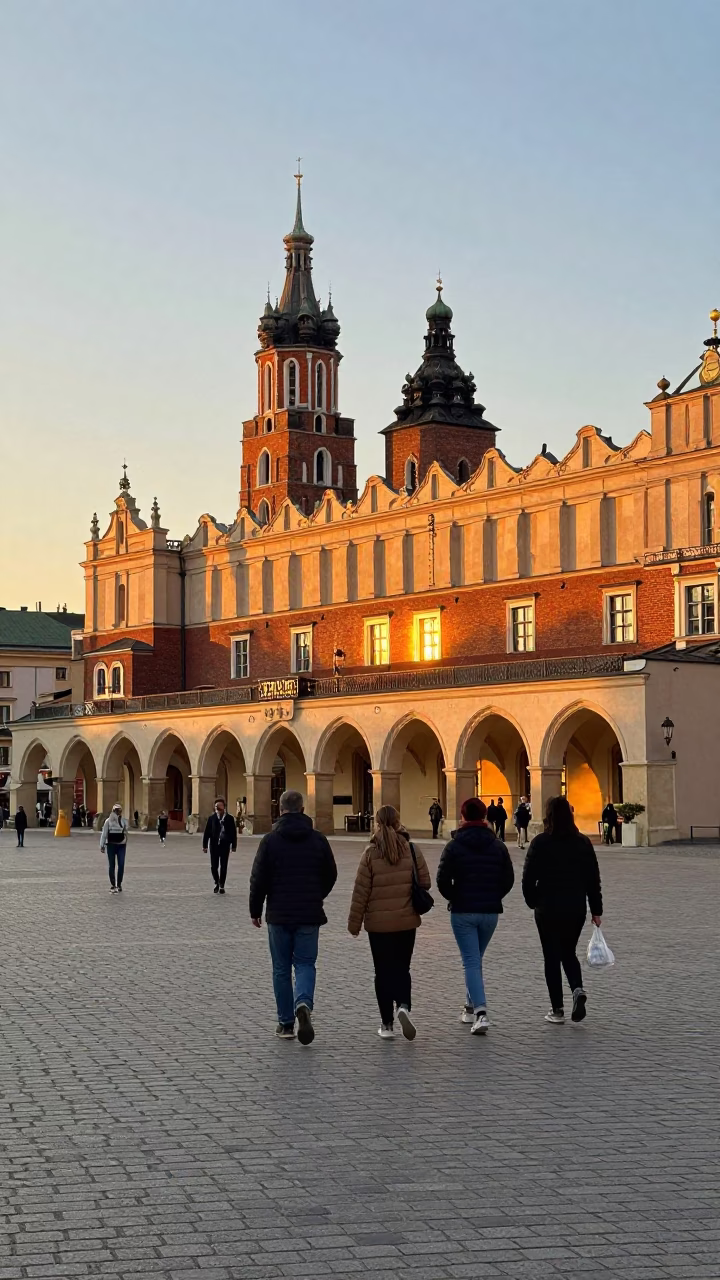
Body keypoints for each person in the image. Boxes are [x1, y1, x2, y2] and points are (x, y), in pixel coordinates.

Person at [249, 789, 337, 1044]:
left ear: (281, 809)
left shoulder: (270, 840)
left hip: (278, 913)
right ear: (302, 808)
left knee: (281, 968)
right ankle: (304, 1004)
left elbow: (258, 879)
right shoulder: (318, 839)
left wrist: (255, 910)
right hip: (309, 911)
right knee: (306, 963)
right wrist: (316, 894)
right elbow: (331, 874)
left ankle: (286, 1023)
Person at [348, 805, 431, 1040]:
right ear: (398, 822)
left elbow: (360, 892)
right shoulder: (411, 850)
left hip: (378, 925)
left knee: (382, 972)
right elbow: (424, 882)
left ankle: (386, 1024)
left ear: (376, 823)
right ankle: (403, 1005)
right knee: (402, 968)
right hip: (406, 922)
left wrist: (354, 924)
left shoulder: (370, 853)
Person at [522, 794, 603, 1024]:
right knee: (568, 952)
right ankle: (577, 989)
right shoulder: (582, 843)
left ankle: (557, 1009)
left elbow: (528, 878)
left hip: (547, 907)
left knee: (551, 957)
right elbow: (592, 879)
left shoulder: (540, 842)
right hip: (575, 907)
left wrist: (533, 900)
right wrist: (596, 910)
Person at [436, 797, 514, 1034]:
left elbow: (442, 880)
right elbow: (508, 879)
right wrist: (494, 895)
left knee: (471, 961)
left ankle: (480, 1012)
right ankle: (469, 1007)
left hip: (463, 911)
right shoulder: (497, 845)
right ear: (484, 816)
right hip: (490, 912)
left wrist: (454, 896)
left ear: (463, 816)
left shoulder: (454, 845)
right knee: (475, 959)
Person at [202, 797, 237, 893]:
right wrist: (204, 845)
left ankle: (222, 885)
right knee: (214, 866)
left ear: (224, 807)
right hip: (214, 845)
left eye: (219, 805)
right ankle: (216, 882)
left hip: (225, 845)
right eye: (216, 805)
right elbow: (207, 832)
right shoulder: (212, 818)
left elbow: (233, 833)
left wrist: (234, 845)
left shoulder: (229, 818)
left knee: (224, 866)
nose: (217, 807)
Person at [99, 803, 129, 893]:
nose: (117, 812)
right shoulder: (108, 821)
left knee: (121, 865)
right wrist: (102, 845)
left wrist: (125, 840)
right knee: (111, 865)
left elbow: (126, 832)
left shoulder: (123, 821)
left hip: (121, 845)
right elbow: (104, 834)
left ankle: (119, 884)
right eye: (116, 810)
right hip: (111, 845)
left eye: (119, 810)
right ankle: (113, 884)